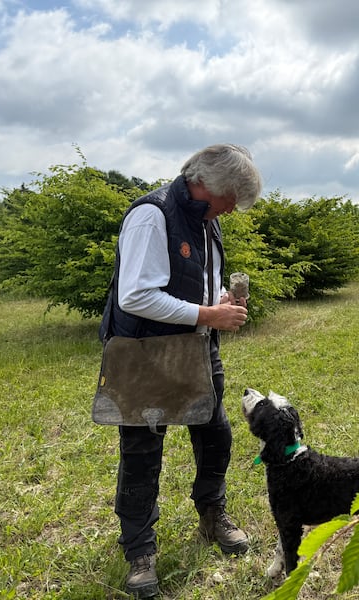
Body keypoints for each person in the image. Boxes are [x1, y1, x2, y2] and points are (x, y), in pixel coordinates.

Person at [97, 144, 263, 598]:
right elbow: (135, 296)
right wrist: (208, 316)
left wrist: (218, 303)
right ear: (206, 184)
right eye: (230, 200)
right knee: (142, 451)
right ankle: (139, 551)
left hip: (196, 347)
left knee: (216, 433)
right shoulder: (152, 216)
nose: (231, 210)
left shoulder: (206, 222)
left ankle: (212, 515)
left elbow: (195, 285)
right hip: (145, 353)